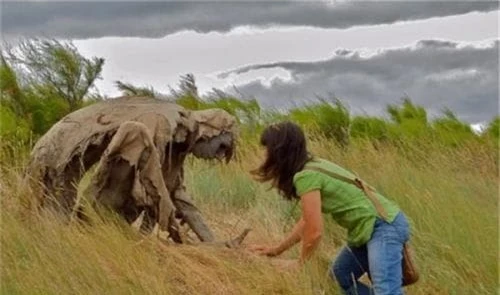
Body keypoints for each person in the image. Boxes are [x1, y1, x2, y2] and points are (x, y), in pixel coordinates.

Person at [248, 121, 410, 295]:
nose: (264, 154)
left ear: (280, 151)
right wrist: (277, 249)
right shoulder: (312, 167)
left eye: (267, 148)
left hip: (384, 226)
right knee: (339, 278)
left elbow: (315, 231)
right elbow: (307, 221)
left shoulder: (306, 175)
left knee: (386, 290)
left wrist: (301, 263)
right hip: (366, 230)